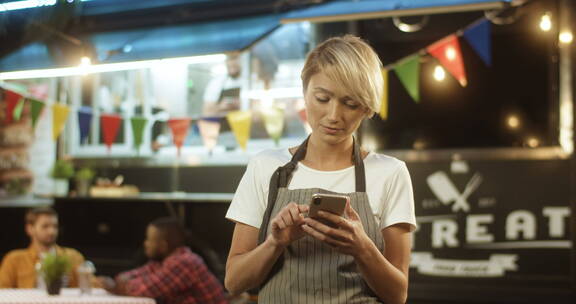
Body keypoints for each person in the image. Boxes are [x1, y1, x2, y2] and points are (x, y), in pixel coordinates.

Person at [224, 35, 417, 303]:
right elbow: (234, 282)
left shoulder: (390, 173)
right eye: (322, 98)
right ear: (305, 92)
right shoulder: (265, 167)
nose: (334, 115)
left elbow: (398, 294)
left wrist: (362, 248)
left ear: (367, 107)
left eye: (350, 104)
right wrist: (275, 243)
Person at [98, 217, 228, 304]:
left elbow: (144, 290)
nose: (145, 244)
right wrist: (119, 283)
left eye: (149, 239)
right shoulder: (161, 261)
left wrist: (115, 285)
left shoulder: (184, 262)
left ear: (163, 245)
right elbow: (128, 276)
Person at [0, 207, 89, 288]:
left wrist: (100, 283)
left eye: (55, 226)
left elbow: (90, 286)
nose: (51, 231)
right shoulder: (14, 259)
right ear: (29, 229)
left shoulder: (72, 256)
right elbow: (2, 290)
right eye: (45, 226)